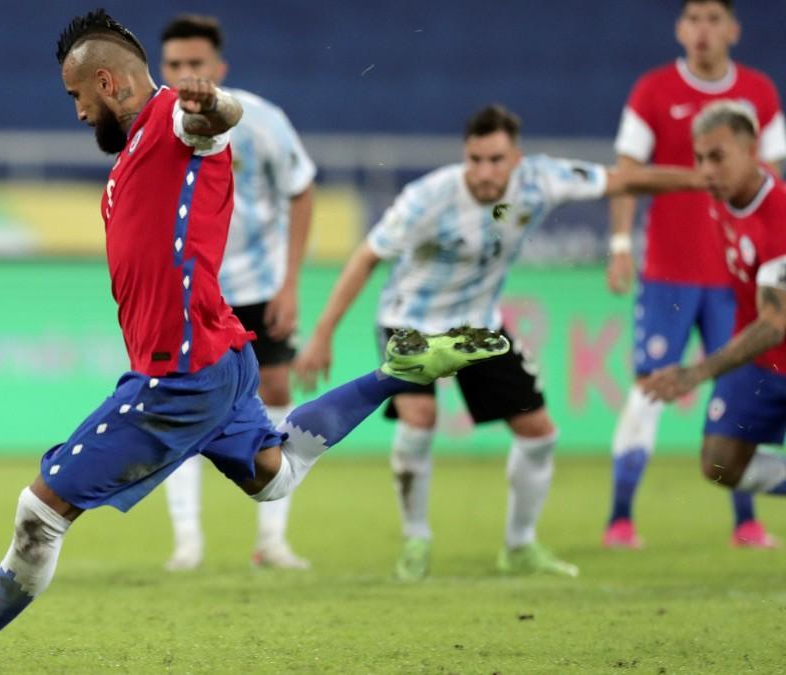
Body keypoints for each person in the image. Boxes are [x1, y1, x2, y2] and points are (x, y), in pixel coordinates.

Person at [0, 10, 508, 671]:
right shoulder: (134, 152)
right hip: (221, 353)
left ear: (108, 82)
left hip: (180, 377)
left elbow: (215, 120)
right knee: (275, 475)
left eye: (76, 96)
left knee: (40, 508)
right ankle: (396, 372)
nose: (78, 112)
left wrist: (213, 100)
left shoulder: (176, 119)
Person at [294, 104, 706, 582]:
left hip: (478, 329)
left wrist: (699, 181)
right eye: (475, 159)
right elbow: (366, 257)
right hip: (409, 322)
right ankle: (416, 539)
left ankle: (519, 546)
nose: (485, 171)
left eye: (496, 159)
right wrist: (323, 333)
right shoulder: (427, 198)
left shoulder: (542, 180)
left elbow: (623, 181)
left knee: (540, 432)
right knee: (419, 418)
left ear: (517, 158)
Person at [603, 0, 786, 549]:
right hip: (670, 273)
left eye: (714, 18)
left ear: (732, 28)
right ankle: (620, 517)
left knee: (732, 378)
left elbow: (770, 178)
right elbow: (627, 175)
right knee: (652, 392)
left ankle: (746, 523)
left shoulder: (760, 93)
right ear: (680, 29)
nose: (703, 29)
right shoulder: (653, 89)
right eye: (693, 18)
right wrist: (618, 244)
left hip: (749, 286)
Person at [158, 13, 317, 571]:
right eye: (175, 64)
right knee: (181, 405)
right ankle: (187, 542)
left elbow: (301, 191)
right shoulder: (154, 122)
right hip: (186, 292)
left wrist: (291, 283)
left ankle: (271, 540)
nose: (185, 74)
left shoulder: (262, 120)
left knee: (275, 390)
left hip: (257, 287)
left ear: (219, 68)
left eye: (195, 64)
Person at [643, 101, 786, 513]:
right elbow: (658, 178)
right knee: (721, 465)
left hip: (773, 345)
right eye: (700, 158)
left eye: (717, 157)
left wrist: (696, 372)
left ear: (751, 151)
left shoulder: (777, 216)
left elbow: (776, 323)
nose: (706, 170)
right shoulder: (721, 194)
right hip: (762, 365)